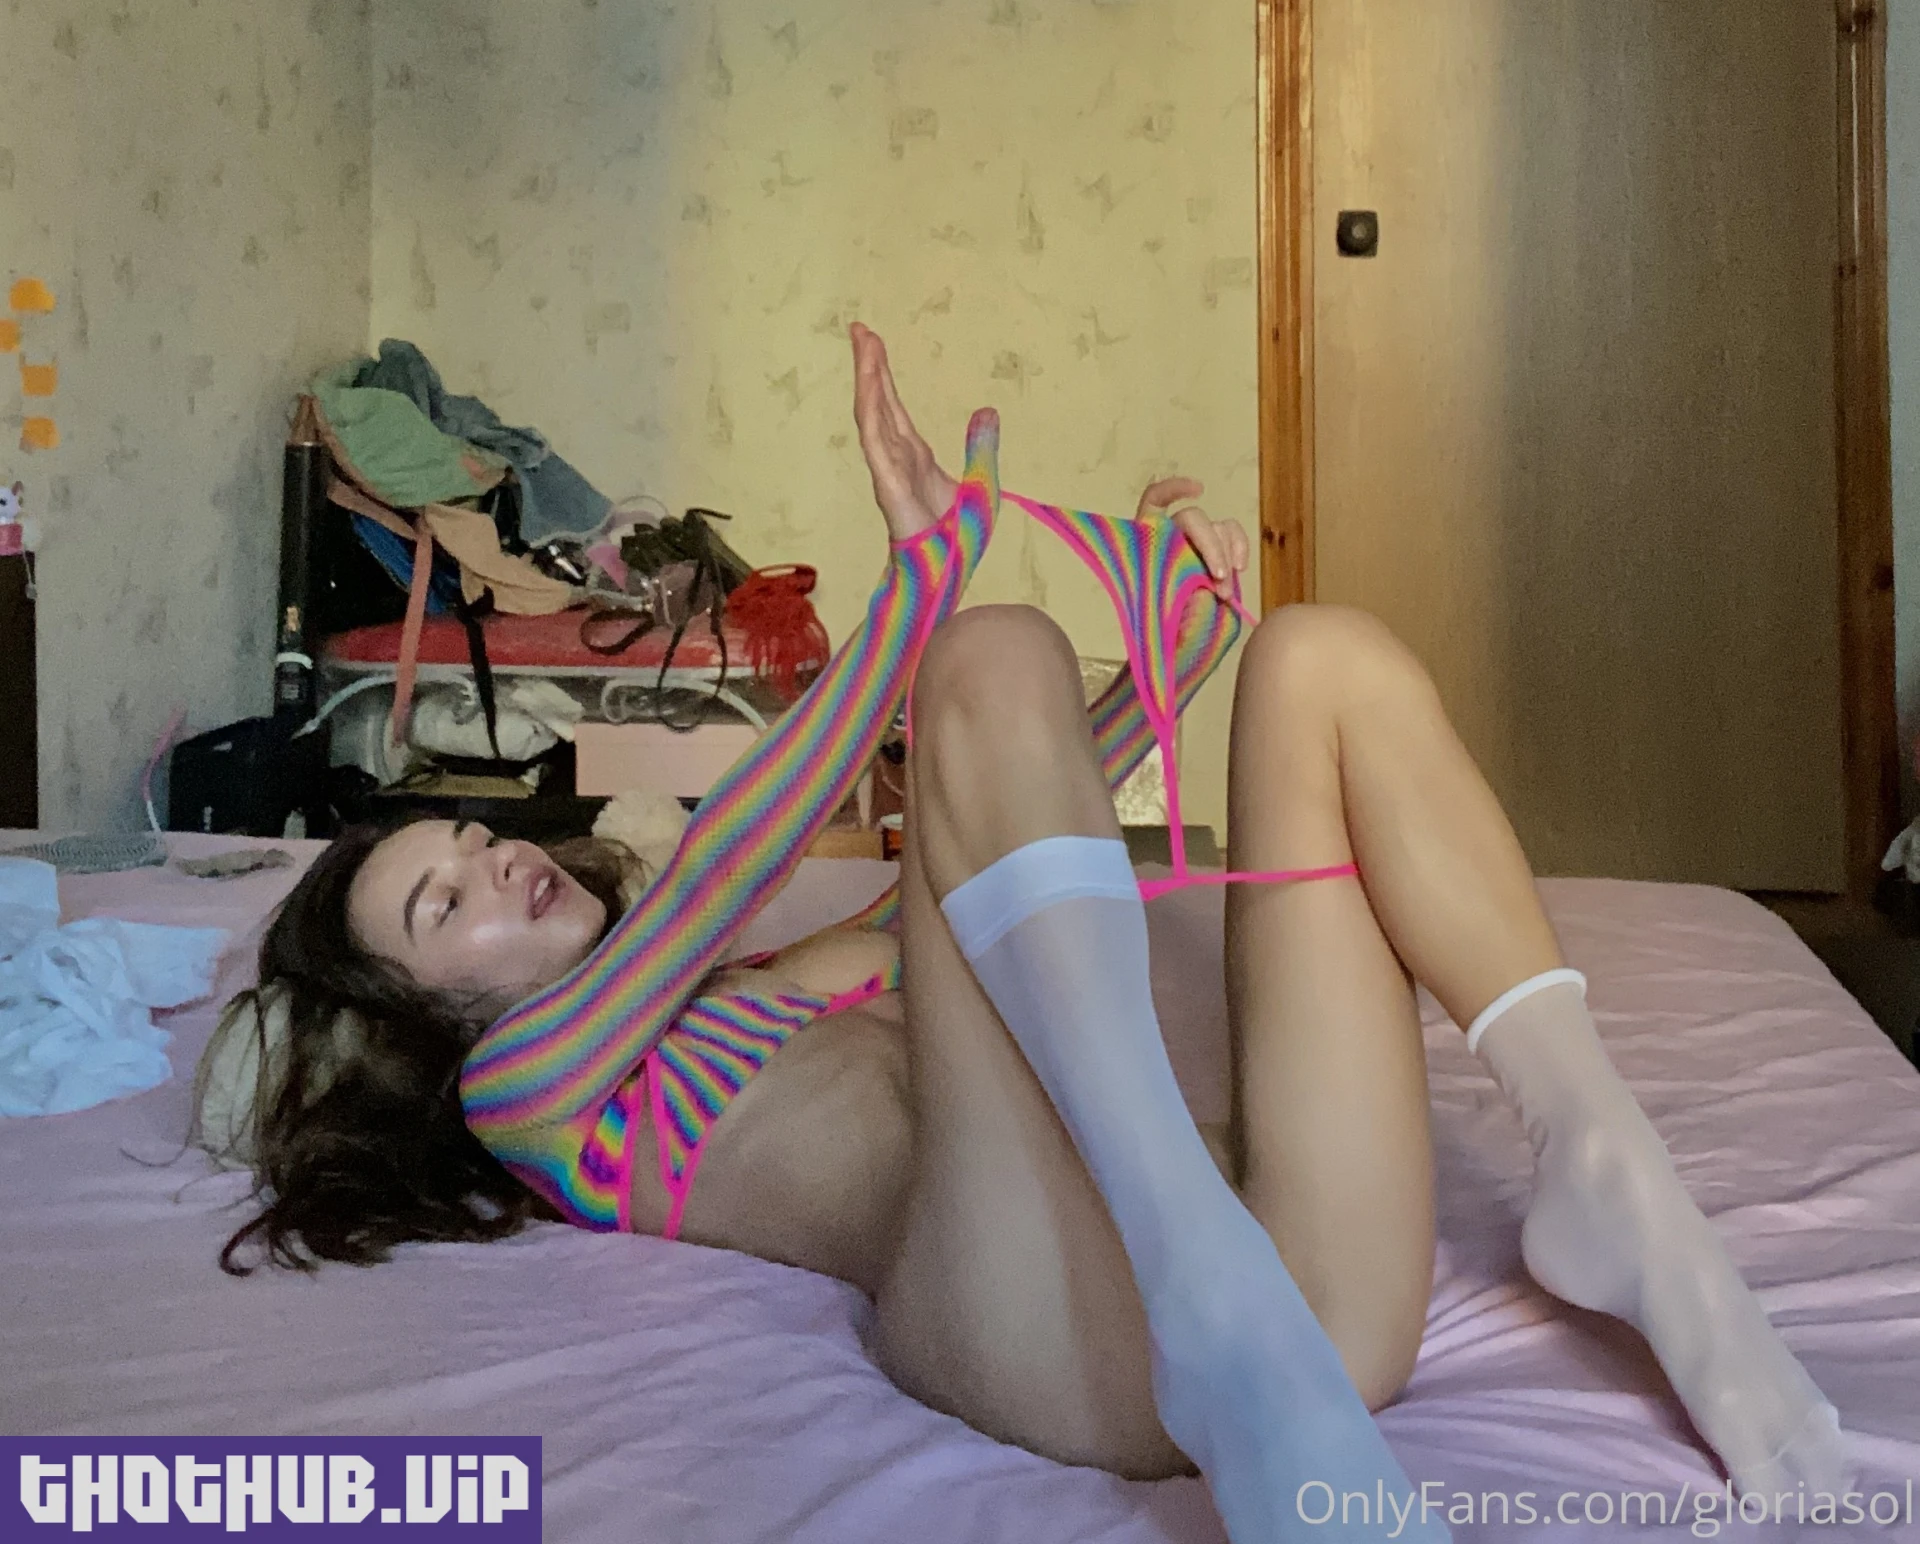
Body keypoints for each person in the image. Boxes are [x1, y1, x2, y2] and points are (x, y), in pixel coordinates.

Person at [209, 328, 1849, 1539]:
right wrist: (922, 592)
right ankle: (1196, 1275)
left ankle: (1608, 1170)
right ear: (413, 1025)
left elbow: (999, 844)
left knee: (1319, 655)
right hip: (1039, 1334)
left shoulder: (773, 981)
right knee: (990, 646)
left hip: (1304, 1310)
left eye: (476, 838)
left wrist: (1174, 668)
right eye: (442, 903)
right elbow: (720, 867)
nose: (497, 862)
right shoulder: (534, 1098)